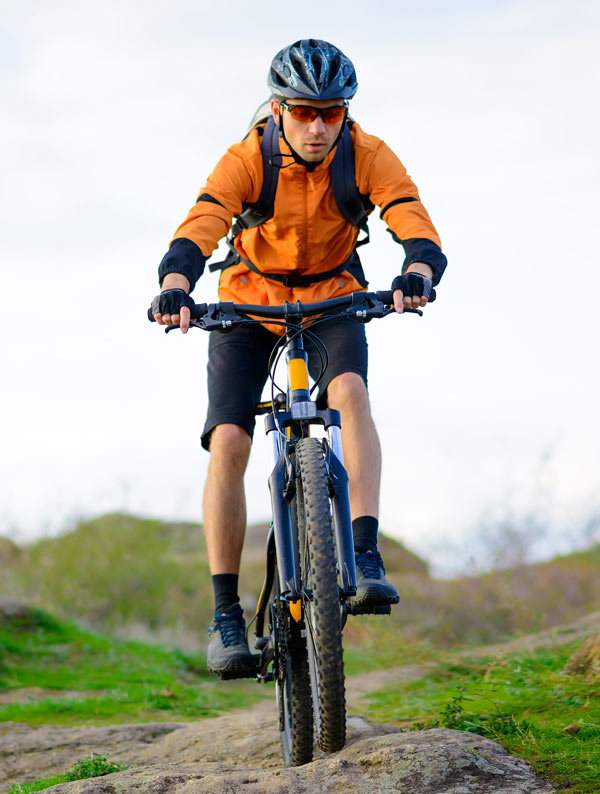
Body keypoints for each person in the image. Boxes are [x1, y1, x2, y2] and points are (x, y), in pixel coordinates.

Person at [150, 39, 447, 679]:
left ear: (345, 113)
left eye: (331, 113)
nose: (318, 127)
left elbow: (410, 215)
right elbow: (203, 221)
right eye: (304, 112)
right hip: (247, 303)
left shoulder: (366, 154)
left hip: (333, 298)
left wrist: (418, 271)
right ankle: (226, 614)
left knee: (350, 396)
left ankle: (363, 556)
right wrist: (176, 285)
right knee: (229, 439)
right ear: (280, 109)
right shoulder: (247, 158)